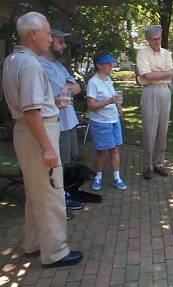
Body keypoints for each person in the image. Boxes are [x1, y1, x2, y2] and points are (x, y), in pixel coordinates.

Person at [2, 12, 82, 267]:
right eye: (47, 33)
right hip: (39, 134)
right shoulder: (30, 64)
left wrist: (51, 103)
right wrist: (47, 147)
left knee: (36, 192)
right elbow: (31, 110)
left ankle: (34, 243)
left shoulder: (13, 59)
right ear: (33, 34)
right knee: (51, 193)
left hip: (25, 132)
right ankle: (55, 252)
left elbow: (32, 106)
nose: (50, 38)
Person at [39, 28, 83, 218]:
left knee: (66, 161)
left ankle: (63, 195)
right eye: (60, 42)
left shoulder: (59, 66)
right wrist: (67, 87)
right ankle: (58, 203)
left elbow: (77, 88)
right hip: (56, 123)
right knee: (56, 166)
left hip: (69, 121)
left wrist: (67, 87)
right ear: (50, 42)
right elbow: (59, 91)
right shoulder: (40, 65)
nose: (64, 46)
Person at [136, 25, 173, 180]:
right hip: (150, 91)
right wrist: (165, 73)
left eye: (159, 38)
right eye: (154, 39)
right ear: (147, 39)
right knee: (149, 130)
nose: (158, 41)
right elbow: (147, 76)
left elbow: (172, 73)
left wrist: (157, 74)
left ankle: (159, 163)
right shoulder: (142, 53)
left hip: (165, 91)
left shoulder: (166, 53)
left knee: (162, 129)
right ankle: (148, 165)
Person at [87, 51, 127, 191]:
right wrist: (109, 101)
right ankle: (98, 177)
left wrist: (119, 107)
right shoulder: (93, 82)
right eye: (108, 63)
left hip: (113, 120)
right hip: (100, 122)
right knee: (101, 151)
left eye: (111, 63)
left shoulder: (108, 80)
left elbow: (114, 97)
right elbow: (91, 106)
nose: (111, 66)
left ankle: (117, 177)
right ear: (99, 65)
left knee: (115, 149)